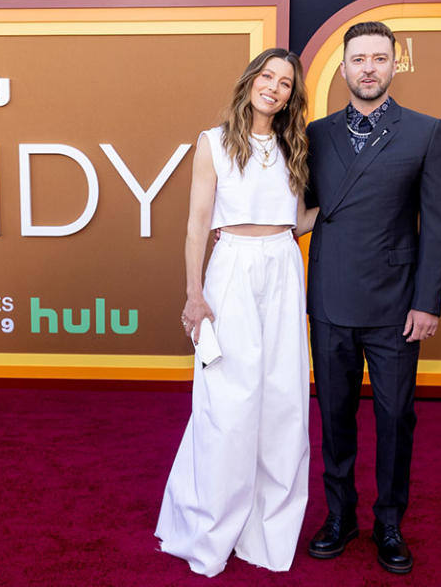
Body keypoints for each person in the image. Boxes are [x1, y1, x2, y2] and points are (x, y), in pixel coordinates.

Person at [155, 48, 318, 577]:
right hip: (230, 273)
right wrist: (194, 294)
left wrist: (366, 204)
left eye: (286, 83)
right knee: (227, 406)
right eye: (267, 76)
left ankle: (267, 533)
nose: (274, 87)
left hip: (283, 270)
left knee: (283, 402)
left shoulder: (296, 146)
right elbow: (196, 225)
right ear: (250, 81)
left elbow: (297, 221)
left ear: (293, 96)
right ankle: (209, 528)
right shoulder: (214, 142)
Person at [303, 21, 441, 574]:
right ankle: (339, 516)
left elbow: (436, 226)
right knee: (334, 417)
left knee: (395, 418)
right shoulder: (315, 134)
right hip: (331, 300)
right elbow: (295, 207)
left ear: (395, 65)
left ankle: (389, 522)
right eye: (358, 58)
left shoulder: (425, 132)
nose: (368, 67)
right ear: (342, 68)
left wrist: (427, 302)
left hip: (396, 307)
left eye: (379, 58)